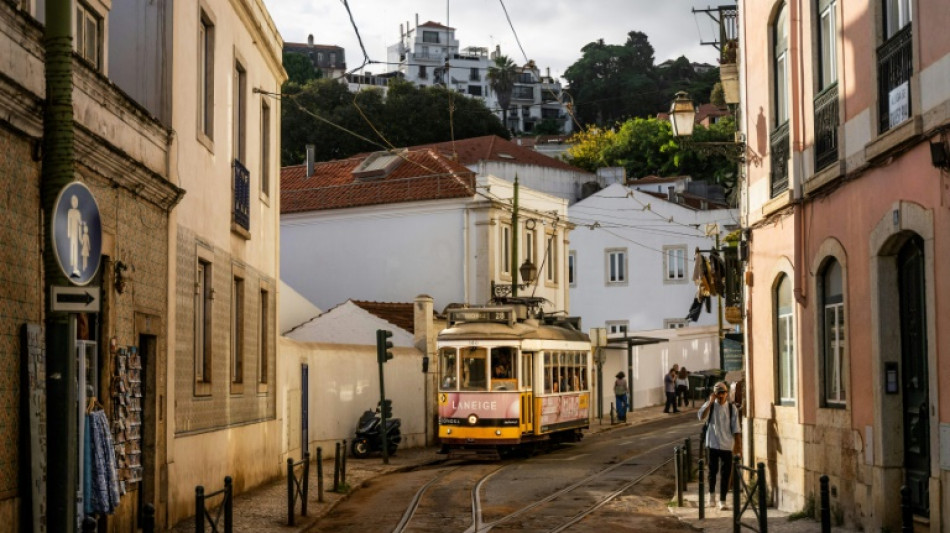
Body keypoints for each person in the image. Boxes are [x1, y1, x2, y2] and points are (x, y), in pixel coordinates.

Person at [698, 381, 741, 511]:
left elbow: (736, 429)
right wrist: (710, 402)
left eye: (723, 393)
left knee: (726, 473)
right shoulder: (710, 405)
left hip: (727, 445)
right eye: (718, 393)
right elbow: (701, 417)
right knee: (712, 471)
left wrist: (738, 446)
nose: (721, 395)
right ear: (715, 394)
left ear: (727, 393)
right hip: (712, 443)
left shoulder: (731, 408)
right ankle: (711, 496)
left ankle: (722, 500)